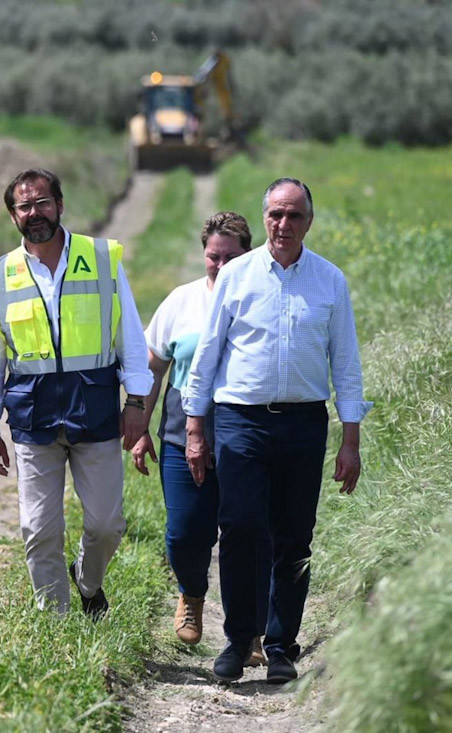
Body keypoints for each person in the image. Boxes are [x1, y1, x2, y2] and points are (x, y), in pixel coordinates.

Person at [183, 178, 371, 684]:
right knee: (240, 527)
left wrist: (350, 440)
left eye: (294, 216)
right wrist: (195, 429)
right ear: (264, 217)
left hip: (304, 424)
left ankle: (281, 644)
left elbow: (347, 365)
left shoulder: (329, 280)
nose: (283, 225)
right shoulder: (237, 275)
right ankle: (238, 639)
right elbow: (207, 359)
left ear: (309, 221)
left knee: (294, 537)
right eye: (275, 215)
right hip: (241, 419)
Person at [0, 168, 152, 616]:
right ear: (13, 215)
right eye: (24, 206)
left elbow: (130, 337)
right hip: (33, 417)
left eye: (42, 203)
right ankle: (55, 621)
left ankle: (88, 583)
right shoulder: (0, 277)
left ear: (60, 204)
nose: (35, 213)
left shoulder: (101, 259)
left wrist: (136, 402)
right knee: (38, 528)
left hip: (94, 411)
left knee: (107, 525)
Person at [131, 212, 270, 665]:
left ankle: (248, 631)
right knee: (185, 532)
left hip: (244, 432)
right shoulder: (181, 301)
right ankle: (191, 593)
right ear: (203, 254)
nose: (221, 264)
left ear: (247, 254)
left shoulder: (262, 297)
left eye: (231, 256)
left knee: (245, 532)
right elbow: (153, 368)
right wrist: (138, 428)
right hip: (179, 432)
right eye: (214, 256)